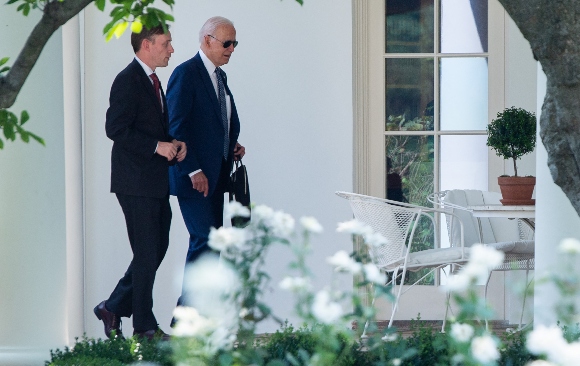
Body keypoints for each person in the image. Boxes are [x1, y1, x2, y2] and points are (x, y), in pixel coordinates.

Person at [94, 25, 186, 341]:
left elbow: (152, 128)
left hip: (154, 180)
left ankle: (114, 305)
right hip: (134, 182)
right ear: (146, 45)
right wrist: (155, 147)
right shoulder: (127, 80)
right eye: (166, 43)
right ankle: (144, 327)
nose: (171, 49)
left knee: (155, 249)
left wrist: (172, 143)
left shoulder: (153, 82)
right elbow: (115, 128)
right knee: (147, 252)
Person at [166, 16, 245, 313]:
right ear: (206, 40)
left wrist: (230, 144)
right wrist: (194, 169)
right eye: (226, 43)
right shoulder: (186, 74)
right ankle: (187, 316)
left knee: (211, 243)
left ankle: (195, 314)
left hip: (216, 176)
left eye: (234, 43)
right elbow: (176, 126)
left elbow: (213, 123)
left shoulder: (219, 76)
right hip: (194, 177)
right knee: (205, 240)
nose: (231, 49)